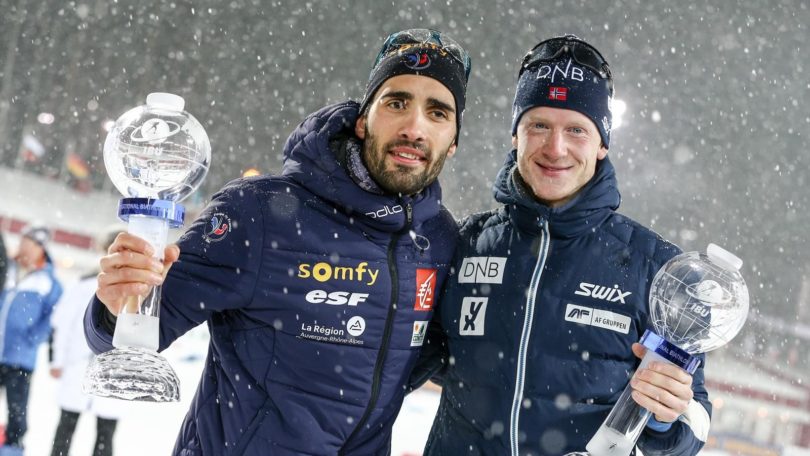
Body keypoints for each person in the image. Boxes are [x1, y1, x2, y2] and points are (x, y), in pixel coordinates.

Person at [85, 29, 471, 455]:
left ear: (452, 142)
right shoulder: (260, 212)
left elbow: (418, 358)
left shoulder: (439, 242)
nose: (414, 127)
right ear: (363, 120)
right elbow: (128, 335)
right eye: (397, 103)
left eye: (437, 113)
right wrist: (117, 299)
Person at [419, 35, 711, 455]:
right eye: (539, 125)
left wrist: (668, 415)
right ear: (515, 135)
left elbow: (695, 423)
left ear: (602, 143)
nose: (555, 148)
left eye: (576, 129)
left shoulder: (655, 268)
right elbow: (403, 359)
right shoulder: (463, 245)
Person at [50, 232, 123, 456]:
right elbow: (62, 323)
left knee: (105, 433)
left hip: (114, 371)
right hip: (78, 365)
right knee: (67, 426)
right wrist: (58, 359)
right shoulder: (84, 284)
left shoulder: (134, 289)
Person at [0, 226, 63, 456]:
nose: (24, 249)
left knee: (17, 412)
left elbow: (52, 318)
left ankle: (12, 450)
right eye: (22, 243)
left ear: (40, 248)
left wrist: (31, 339)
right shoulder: (7, 269)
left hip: (20, 357)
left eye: (30, 245)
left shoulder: (49, 282)